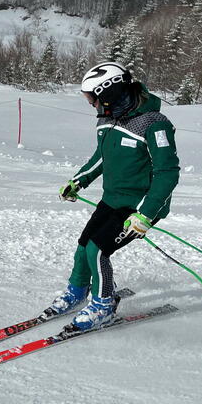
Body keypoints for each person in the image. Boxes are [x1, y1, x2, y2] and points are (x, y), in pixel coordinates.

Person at [50, 61, 180, 331]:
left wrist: (146, 214)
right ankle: (78, 290)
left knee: (98, 249)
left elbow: (167, 172)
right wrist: (78, 181)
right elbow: (102, 158)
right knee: (84, 245)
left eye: (92, 98)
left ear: (107, 93)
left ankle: (103, 305)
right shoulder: (107, 121)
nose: (90, 104)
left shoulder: (154, 124)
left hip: (139, 206)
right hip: (112, 200)